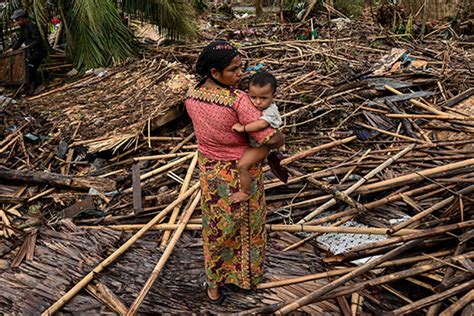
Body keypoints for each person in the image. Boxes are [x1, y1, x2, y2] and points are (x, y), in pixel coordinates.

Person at [185, 40, 284, 304]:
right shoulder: (238, 101)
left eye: (241, 67)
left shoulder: (191, 96)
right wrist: (279, 138)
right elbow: (270, 138)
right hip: (241, 172)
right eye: (234, 69)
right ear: (215, 73)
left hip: (209, 172)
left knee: (215, 228)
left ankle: (214, 283)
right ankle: (246, 278)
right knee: (248, 227)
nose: (241, 74)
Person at [231, 71, 287, 202]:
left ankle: (245, 191)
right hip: (255, 143)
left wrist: (242, 128)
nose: (257, 102)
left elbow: (261, 124)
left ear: (273, 96)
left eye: (263, 98)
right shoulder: (254, 103)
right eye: (253, 97)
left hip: (262, 147)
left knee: (242, 166)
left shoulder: (270, 111)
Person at [7, 9, 48, 94]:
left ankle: (37, 85)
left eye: (18, 20)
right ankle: (30, 86)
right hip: (32, 52)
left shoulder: (31, 26)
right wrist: (12, 49)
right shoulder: (23, 28)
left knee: (30, 66)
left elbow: (37, 40)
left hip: (39, 51)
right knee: (27, 66)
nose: (17, 22)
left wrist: (28, 46)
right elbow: (20, 40)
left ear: (23, 18)